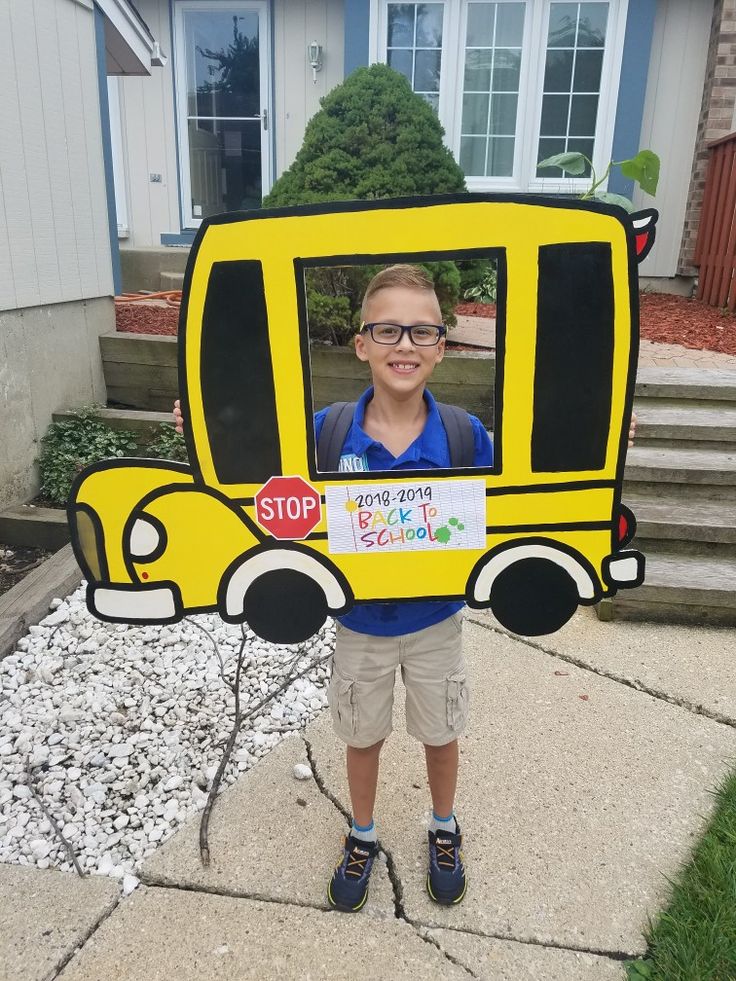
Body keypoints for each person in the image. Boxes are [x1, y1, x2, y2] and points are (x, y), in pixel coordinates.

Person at [173, 264, 637, 914]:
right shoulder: (327, 432)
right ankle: (361, 831)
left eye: (422, 331)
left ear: (441, 347)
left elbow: (540, 464)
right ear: (362, 343)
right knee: (362, 734)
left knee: (440, 728)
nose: (405, 345)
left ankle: (443, 825)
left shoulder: (463, 436)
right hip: (360, 622)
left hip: (436, 620)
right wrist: (200, 430)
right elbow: (254, 458)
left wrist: (605, 439)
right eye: (388, 329)